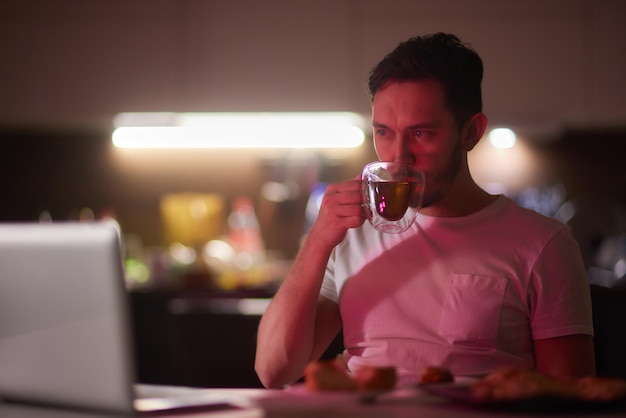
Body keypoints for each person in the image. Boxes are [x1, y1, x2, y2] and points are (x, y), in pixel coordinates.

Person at [255, 33, 595, 389]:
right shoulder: (349, 234)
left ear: (471, 133)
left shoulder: (543, 244)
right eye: (384, 132)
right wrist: (317, 241)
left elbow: (572, 397)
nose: (398, 157)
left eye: (421, 133)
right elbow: (274, 370)